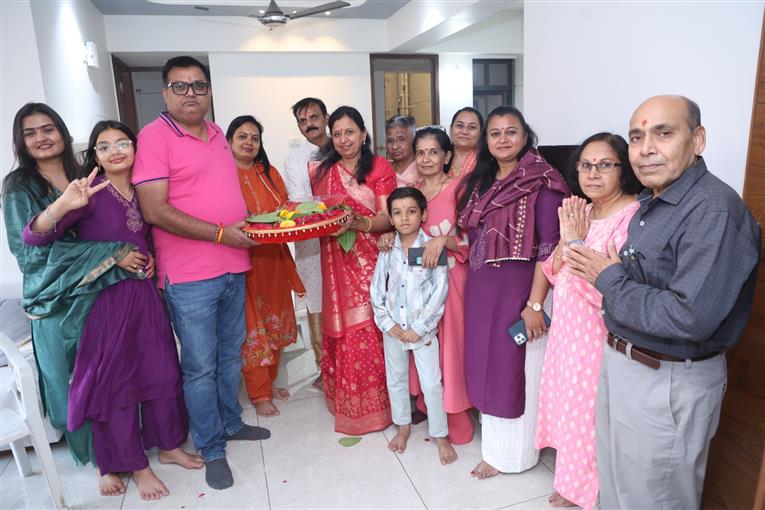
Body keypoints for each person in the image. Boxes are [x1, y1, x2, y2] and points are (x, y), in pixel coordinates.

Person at [565, 95, 760, 509]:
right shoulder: (653, 203)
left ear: (698, 139)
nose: (646, 148)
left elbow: (688, 317)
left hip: (667, 379)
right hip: (626, 365)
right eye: (637, 138)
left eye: (664, 133)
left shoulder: (713, 210)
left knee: (654, 498)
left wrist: (608, 277)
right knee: (618, 489)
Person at [23, 120, 204, 501]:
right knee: (118, 386)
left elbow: (143, 234)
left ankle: (169, 445)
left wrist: (150, 257)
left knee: (162, 371)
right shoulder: (90, 193)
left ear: (136, 148)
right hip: (107, 303)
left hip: (145, 297)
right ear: (95, 156)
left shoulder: (144, 190)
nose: (115, 151)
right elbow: (34, 237)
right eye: (104, 147)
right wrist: (64, 204)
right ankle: (136, 465)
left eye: (122, 143)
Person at [132, 56, 269, 491]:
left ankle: (230, 422)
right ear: (165, 92)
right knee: (200, 367)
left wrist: (252, 227)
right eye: (181, 86)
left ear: (209, 91)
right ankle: (211, 447)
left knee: (230, 355)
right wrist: (221, 234)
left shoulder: (217, 133)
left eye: (199, 85)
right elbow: (154, 210)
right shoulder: (154, 137)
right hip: (190, 277)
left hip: (235, 266)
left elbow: (221, 195)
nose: (191, 93)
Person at [2, 103, 141, 495]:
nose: (41, 138)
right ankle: (99, 462)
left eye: (48, 129)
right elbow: (28, 253)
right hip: (54, 301)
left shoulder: (85, 173)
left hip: (98, 291)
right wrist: (110, 253)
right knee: (71, 382)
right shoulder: (19, 187)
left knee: (107, 376)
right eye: (30, 132)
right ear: (21, 141)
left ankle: (119, 447)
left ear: (62, 132)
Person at [456, 105, 570, 478]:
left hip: (521, 294)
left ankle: (515, 457)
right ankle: (494, 449)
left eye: (510, 131)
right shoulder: (482, 181)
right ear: (486, 141)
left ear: (525, 136)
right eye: (495, 133)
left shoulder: (543, 182)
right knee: (486, 365)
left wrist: (534, 305)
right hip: (482, 292)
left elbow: (550, 249)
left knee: (514, 371)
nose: (503, 139)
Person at [535, 133, 642, 509]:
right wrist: (568, 242)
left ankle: (584, 492)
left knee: (587, 415)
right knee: (569, 407)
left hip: (596, 337)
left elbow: (612, 291)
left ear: (623, 168)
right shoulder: (585, 213)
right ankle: (572, 480)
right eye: (585, 165)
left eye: (604, 165)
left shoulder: (630, 219)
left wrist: (574, 243)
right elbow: (552, 270)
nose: (593, 174)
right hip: (568, 333)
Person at [380, 127, 475, 445]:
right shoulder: (413, 192)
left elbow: (475, 238)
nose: (426, 158)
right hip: (416, 287)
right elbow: (403, 230)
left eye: (433, 152)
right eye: (420, 152)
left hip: (452, 280)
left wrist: (445, 240)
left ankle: (456, 414)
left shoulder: (461, 189)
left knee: (451, 349)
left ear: (447, 156)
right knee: (424, 347)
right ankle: (427, 408)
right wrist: (390, 235)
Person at [310, 105, 396, 434]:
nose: (344, 139)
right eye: (337, 134)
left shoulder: (378, 167)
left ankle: (379, 406)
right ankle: (347, 402)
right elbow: (319, 216)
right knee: (345, 326)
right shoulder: (323, 172)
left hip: (371, 258)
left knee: (369, 324)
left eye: (350, 132)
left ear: (363, 134)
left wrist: (358, 222)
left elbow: (388, 217)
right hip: (336, 257)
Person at [370, 186, 456, 464]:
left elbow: (440, 290)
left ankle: (440, 435)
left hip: (422, 331)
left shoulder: (431, 247)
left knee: (431, 384)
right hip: (393, 330)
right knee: (396, 380)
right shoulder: (388, 249)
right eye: (397, 213)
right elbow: (377, 288)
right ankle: (403, 427)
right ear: (390, 218)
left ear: (423, 215)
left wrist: (419, 328)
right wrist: (387, 323)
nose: (404, 217)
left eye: (411, 211)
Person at [226, 115, 306, 416]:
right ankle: (258, 393)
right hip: (240, 261)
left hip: (273, 259)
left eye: (254, 138)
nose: (249, 142)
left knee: (276, 323)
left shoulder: (269, 173)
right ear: (229, 141)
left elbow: (284, 209)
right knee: (253, 328)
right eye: (242, 136)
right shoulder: (221, 175)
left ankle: (269, 384)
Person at [283, 97, 328, 388]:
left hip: (347, 239)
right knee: (315, 302)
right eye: (302, 120)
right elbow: (300, 202)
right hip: (311, 243)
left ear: (326, 117)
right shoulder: (295, 161)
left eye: (314, 117)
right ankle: (325, 368)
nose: (309, 124)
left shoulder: (344, 149)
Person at [385, 115, 421, 187]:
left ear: (414, 140)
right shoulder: (384, 170)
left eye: (401, 140)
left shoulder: (423, 169)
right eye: (390, 141)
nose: (394, 146)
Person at [448, 107, 483, 178]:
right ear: (451, 129)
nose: (464, 132)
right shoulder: (440, 157)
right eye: (460, 126)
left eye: (472, 127)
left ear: (481, 132)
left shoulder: (488, 160)